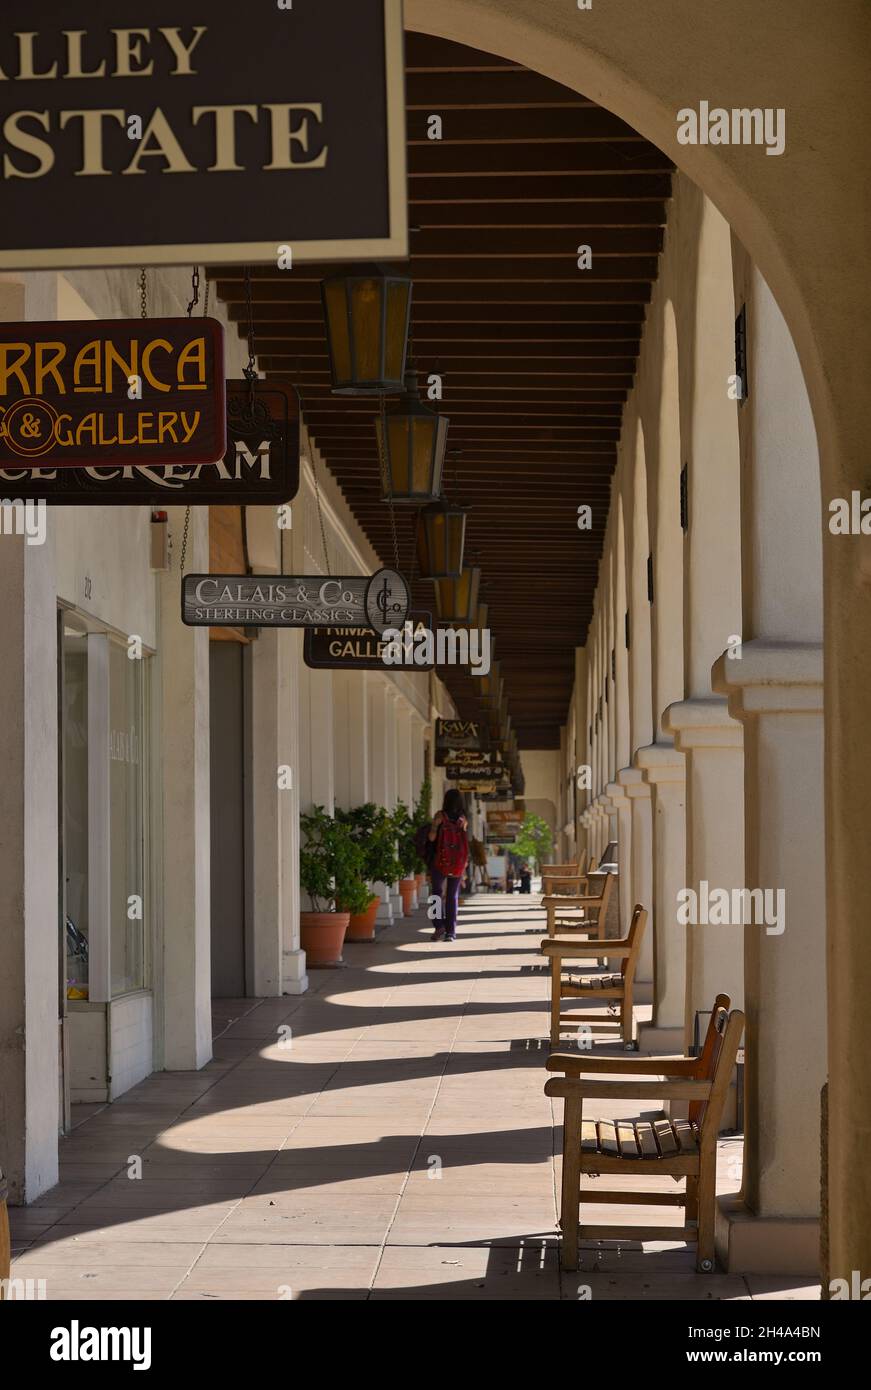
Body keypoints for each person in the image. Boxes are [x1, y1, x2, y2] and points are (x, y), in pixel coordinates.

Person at [427, 788, 469, 942]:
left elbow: (432, 838)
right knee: (452, 896)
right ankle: (451, 932)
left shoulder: (440, 816)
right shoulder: (463, 820)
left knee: (436, 894)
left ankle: (438, 925)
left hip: (439, 861)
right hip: (457, 862)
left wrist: (434, 826)